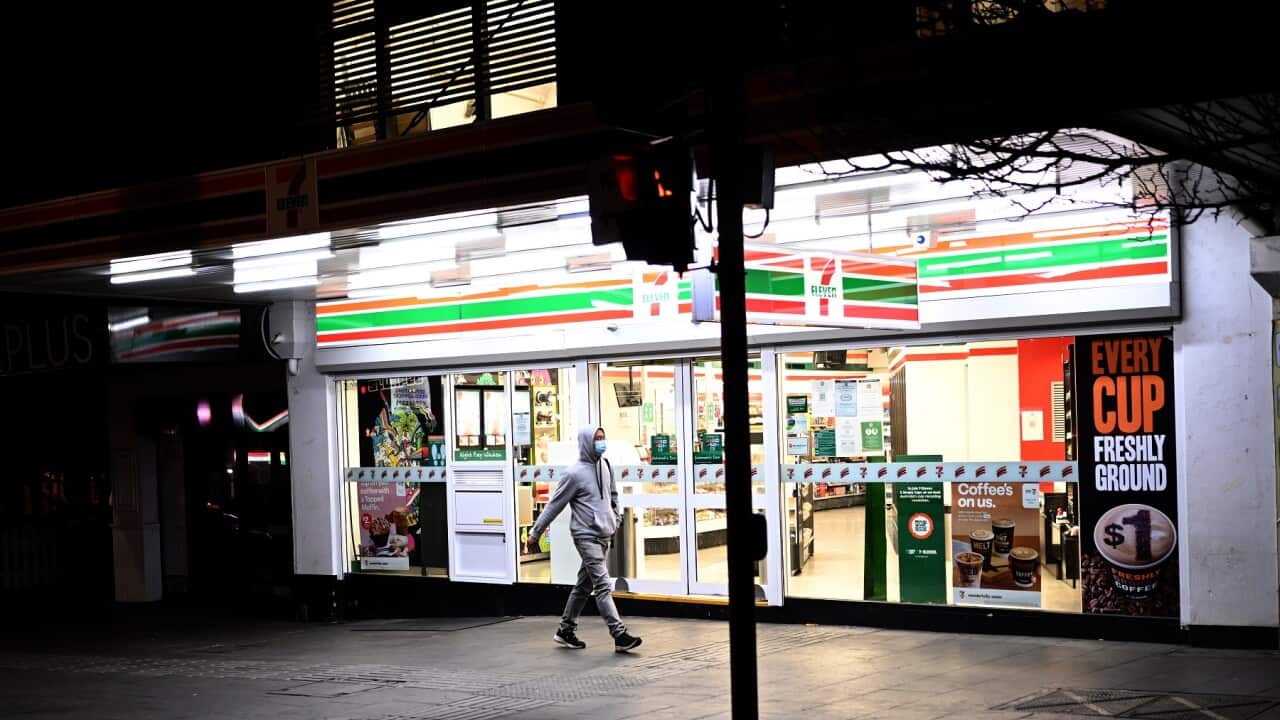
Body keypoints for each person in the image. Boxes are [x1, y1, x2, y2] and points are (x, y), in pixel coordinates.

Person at [527, 426, 642, 653]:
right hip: (585, 535)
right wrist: (535, 532)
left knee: (583, 586)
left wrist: (616, 520)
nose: (601, 442)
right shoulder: (574, 474)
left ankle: (565, 630)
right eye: (597, 438)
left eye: (603, 437)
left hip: (604, 534)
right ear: (587, 442)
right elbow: (555, 505)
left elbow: (613, 496)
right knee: (602, 585)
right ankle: (619, 634)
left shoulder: (605, 465)